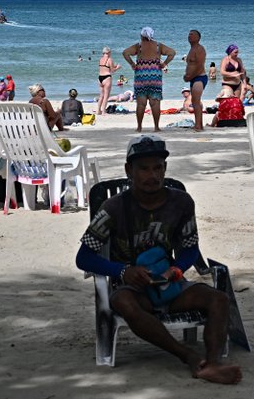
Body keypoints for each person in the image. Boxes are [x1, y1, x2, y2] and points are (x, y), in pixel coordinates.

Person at [75, 136, 242, 385]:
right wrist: (123, 271)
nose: (152, 175)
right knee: (123, 300)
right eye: (143, 168)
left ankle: (214, 362)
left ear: (165, 169)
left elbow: (190, 250)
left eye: (158, 167)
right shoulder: (114, 208)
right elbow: (84, 258)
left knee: (218, 299)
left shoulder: (181, 202)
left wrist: (176, 270)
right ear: (129, 170)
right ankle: (190, 357)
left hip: (170, 286)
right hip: (134, 290)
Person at [123, 27, 176, 132]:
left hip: (141, 76)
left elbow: (125, 53)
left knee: (141, 103)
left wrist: (132, 64)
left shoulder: (139, 46)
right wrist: (164, 63)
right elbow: (172, 53)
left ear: (142, 35)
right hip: (155, 77)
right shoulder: (158, 46)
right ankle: (156, 127)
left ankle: (139, 127)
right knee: (155, 102)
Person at [183, 30, 208, 131]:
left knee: (196, 102)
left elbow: (199, 65)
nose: (189, 36)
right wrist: (187, 75)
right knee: (195, 101)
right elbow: (191, 65)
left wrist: (189, 76)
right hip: (193, 78)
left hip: (199, 77)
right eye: (189, 34)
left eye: (192, 34)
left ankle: (198, 125)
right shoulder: (191, 49)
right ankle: (199, 124)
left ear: (198, 38)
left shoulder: (199, 49)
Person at [97, 46, 122, 115]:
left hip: (100, 78)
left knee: (101, 95)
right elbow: (112, 70)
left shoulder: (101, 59)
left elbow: (106, 67)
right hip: (106, 78)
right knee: (106, 96)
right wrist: (118, 67)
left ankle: (98, 111)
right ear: (109, 52)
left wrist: (115, 66)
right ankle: (104, 112)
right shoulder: (109, 59)